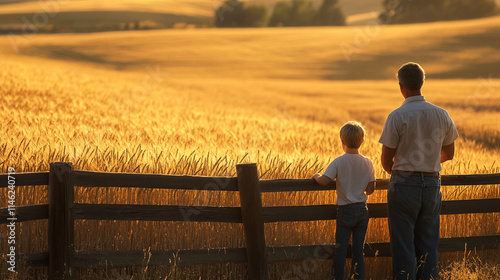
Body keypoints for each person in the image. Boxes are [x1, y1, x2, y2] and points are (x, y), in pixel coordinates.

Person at [379, 62, 459, 280]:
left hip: (404, 185)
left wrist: (401, 172)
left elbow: (386, 160)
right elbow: (449, 153)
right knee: (429, 243)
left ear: (401, 86)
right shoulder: (441, 114)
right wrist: (428, 161)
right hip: (433, 185)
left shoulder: (397, 116)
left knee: (403, 244)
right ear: (422, 83)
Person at [313, 121, 375, 280]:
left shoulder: (339, 161)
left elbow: (324, 181)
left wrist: (316, 176)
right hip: (362, 211)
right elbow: (370, 189)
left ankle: (337, 277)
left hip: (345, 211)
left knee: (340, 250)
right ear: (362, 141)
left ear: (342, 142)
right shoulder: (368, 162)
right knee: (358, 250)